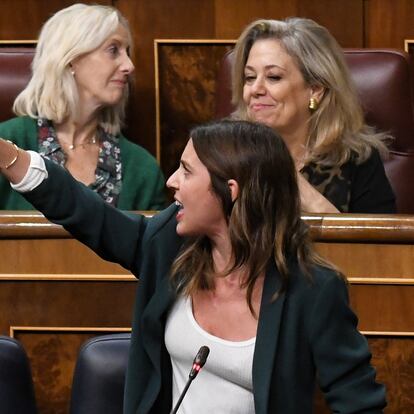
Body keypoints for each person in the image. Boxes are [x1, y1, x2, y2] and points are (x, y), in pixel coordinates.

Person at [0, 120, 386, 413]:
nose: (171, 182)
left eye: (186, 171)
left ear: (229, 191)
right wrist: (10, 158)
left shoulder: (311, 290)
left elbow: (360, 403)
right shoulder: (170, 245)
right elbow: (90, 216)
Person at [0, 3, 166, 210]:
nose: (129, 66)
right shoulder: (7, 144)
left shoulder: (142, 168)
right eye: (113, 50)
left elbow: (155, 241)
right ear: (70, 60)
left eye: (127, 52)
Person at [231, 18, 396, 213]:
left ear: (315, 89)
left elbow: (378, 243)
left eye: (273, 77)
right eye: (250, 78)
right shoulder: (224, 152)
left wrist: (295, 185)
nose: (255, 89)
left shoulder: (356, 161)